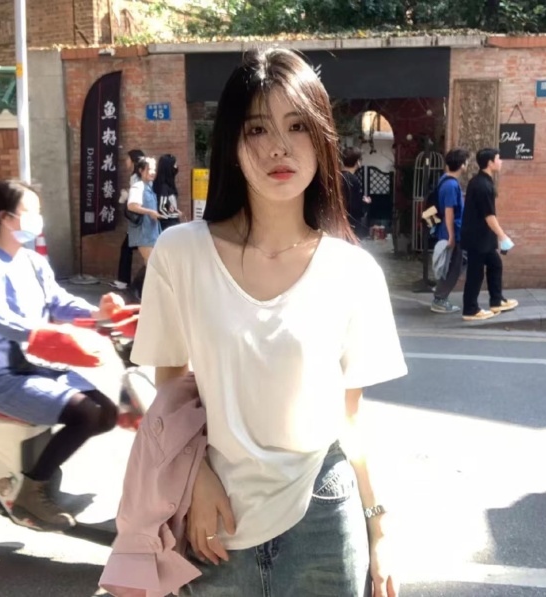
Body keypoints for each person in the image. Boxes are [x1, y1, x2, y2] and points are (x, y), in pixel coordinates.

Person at [131, 48, 407, 597]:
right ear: (232, 145)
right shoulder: (181, 253)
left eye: (298, 126)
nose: (279, 147)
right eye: (258, 128)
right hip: (216, 521)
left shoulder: (353, 272)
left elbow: (350, 419)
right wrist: (196, 478)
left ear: (322, 139)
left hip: (324, 516)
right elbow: (169, 386)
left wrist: (378, 528)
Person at [0, 180, 122, 530]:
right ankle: (31, 492)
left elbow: (59, 302)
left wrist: (99, 312)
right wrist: (43, 334)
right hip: (3, 376)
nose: (38, 219)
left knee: (108, 413)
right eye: (31, 212)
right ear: (6, 218)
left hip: (40, 366)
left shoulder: (33, 262)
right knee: (86, 413)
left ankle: (42, 470)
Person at [461, 148, 518, 321]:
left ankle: (496, 300)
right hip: (477, 238)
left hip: (483, 238)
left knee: (495, 265)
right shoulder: (482, 185)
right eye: (498, 159)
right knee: (475, 274)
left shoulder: (482, 182)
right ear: (490, 163)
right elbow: (489, 215)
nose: (501, 162)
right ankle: (470, 310)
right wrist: (503, 236)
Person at [430, 148, 469, 314]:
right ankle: (440, 299)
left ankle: (440, 294)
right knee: (452, 267)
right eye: (466, 162)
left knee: (456, 264)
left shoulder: (445, 181)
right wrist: (452, 235)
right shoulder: (451, 185)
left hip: (451, 231)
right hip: (452, 232)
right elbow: (449, 212)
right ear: (462, 165)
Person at [113, 149, 144, 290]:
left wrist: (126, 196)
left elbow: (136, 198)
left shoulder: (136, 177)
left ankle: (124, 281)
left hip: (138, 222)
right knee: (129, 248)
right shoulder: (138, 176)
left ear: (133, 161)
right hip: (139, 221)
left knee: (128, 249)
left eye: (127, 159)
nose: (126, 161)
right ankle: (124, 281)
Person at [126, 156, 161, 264]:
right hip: (143, 233)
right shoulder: (138, 186)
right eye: (149, 169)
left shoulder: (149, 186)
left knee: (151, 265)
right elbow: (131, 206)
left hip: (152, 232)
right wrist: (150, 212)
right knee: (153, 264)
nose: (153, 172)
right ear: (141, 170)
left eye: (154, 169)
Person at [341, 146, 371, 239]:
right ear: (358, 162)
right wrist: (365, 203)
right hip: (350, 224)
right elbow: (355, 207)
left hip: (337, 221)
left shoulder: (337, 176)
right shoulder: (353, 180)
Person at [155, 153, 183, 232]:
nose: (176, 167)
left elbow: (168, 205)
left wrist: (175, 210)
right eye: (175, 165)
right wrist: (176, 214)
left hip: (171, 225)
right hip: (167, 226)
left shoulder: (168, 185)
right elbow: (161, 209)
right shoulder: (163, 187)